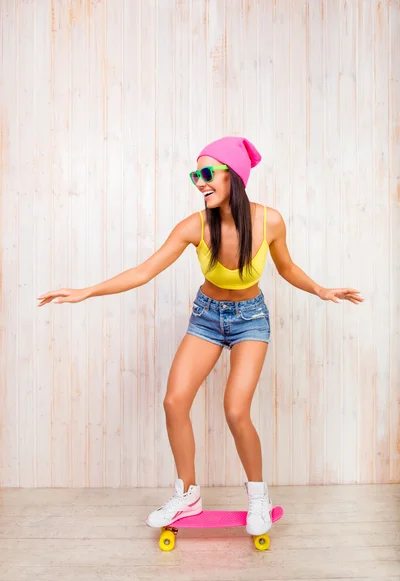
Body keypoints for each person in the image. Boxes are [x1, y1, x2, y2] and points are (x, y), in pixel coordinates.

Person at [37, 136, 364, 536]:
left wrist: (321, 289)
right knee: (174, 401)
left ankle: (259, 497)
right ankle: (188, 495)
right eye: (196, 175)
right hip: (206, 317)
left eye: (208, 173)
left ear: (234, 177)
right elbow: (145, 270)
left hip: (250, 319)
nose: (200, 182)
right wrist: (86, 291)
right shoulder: (194, 226)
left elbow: (287, 268)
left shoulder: (269, 221)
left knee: (235, 410)